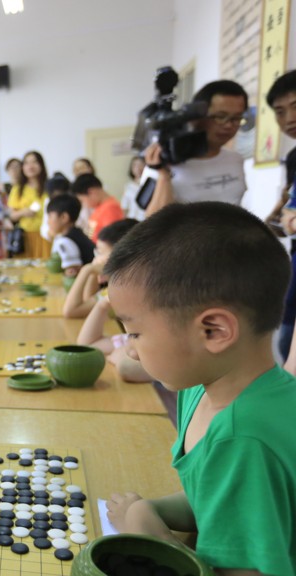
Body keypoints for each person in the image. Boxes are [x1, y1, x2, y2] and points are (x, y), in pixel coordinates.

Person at [104, 202, 296, 573]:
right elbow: (213, 498)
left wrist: (151, 532)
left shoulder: (242, 439)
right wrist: (149, 508)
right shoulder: (202, 387)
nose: (130, 347)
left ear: (214, 331)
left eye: (136, 333)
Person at [143, 80, 248, 217]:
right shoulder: (161, 165)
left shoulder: (235, 159)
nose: (228, 125)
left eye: (236, 118)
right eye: (220, 117)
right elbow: (153, 225)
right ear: (195, 116)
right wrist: (164, 176)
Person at [264, 70, 296, 369]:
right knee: (286, 338)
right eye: (280, 111)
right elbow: (285, 212)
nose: (289, 118)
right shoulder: (294, 158)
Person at [62, 219, 138, 319]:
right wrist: (93, 273)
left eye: (101, 252)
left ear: (121, 256)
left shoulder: (122, 288)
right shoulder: (121, 282)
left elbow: (71, 311)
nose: (96, 257)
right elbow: (88, 301)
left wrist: (86, 270)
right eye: (96, 251)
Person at [76, 292, 151, 383]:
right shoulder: (134, 337)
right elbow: (88, 346)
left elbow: (127, 368)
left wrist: (119, 353)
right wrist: (103, 305)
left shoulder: (166, 349)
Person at [7, 150, 51, 258]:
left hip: (47, 236)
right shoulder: (18, 189)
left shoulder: (49, 187)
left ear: (41, 165)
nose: (30, 166)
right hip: (25, 237)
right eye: (26, 163)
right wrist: (23, 212)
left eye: (34, 162)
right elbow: (11, 216)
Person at [46, 194, 94, 277]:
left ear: (64, 217)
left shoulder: (65, 241)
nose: (48, 221)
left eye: (50, 216)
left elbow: (72, 272)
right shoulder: (77, 233)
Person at [72, 173, 124, 242]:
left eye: (82, 201)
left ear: (91, 192)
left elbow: (111, 241)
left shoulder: (111, 208)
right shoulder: (99, 207)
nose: (83, 205)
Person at [40, 171, 71, 243]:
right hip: (57, 240)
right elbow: (44, 226)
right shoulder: (49, 201)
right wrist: (50, 233)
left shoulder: (73, 201)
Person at [120, 155, 147, 220]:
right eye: (135, 165)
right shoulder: (128, 186)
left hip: (146, 219)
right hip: (132, 219)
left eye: (141, 164)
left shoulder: (150, 183)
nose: (138, 168)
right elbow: (124, 207)